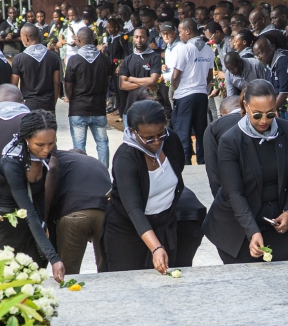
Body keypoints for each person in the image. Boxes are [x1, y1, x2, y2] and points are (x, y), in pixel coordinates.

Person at [203, 80, 288, 263]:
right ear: (246, 106)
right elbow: (233, 193)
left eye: (270, 114)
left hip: (278, 223)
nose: (264, 121)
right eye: (257, 115)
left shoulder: (287, 131)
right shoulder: (231, 140)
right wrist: (252, 231)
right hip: (237, 227)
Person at [100, 100, 185, 273]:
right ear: (133, 132)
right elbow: (134, 209)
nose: (156, 142)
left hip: (164, 224)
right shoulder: (126, 158)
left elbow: (178, 173)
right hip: (127, 231)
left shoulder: (171, 140)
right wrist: (156, 247)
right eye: (148, 138)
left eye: (160, 134)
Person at [0, 110, 65, 281]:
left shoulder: (43, 153)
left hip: (32, 227)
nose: (46, 150)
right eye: (40, 145)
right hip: (9, 229)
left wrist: (43, 224)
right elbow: (28, 210)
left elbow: (39, 195)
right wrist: (54, 258)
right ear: (26, 139)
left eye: (51, 143)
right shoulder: (11, 161)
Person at [47, 148, 112, 275]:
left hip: (74, 214)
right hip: (105, 214)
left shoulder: (57, 158)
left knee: (68, 273)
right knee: (107, 272)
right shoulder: (97, 163)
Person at [63, 27, 113, 166]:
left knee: (79, 147)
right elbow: (107, 82)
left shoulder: (74, 60)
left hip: (78, 108)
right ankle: (104, 174)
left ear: (78, 40)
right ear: (93, 40)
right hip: (98, 108)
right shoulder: (104, 59)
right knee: (102, 143)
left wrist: (72, 99)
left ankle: (83, 175)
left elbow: (68, 85)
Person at [168, 20, 216, 163]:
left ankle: (186, 165)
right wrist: (200, 85)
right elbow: (210, 76)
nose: (179, 34)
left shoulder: (184, 48)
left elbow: (176, 76)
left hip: (184, 95)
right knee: (200, 132)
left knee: (183, 132)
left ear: (188, 31)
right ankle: (202, 163)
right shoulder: (208, 49)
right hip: (201, 95)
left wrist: (172, 91)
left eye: (181, 31)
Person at [10, 24, 62, 113]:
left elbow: (13, 85)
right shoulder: (53, 57)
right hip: (48, 104)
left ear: (26, 38)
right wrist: (53, 103)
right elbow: (57, 82)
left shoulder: (19, 58)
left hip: (28, 106)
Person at [203, 94, 245, 197]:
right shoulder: (258, 121)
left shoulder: (214, 127)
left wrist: (218, 197)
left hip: (230, 191)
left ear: (222, 114)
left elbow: (211, 166)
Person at [117, 27, 162, 121]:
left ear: (148, 38)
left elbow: (153, 80)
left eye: (142, 37)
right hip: (130, 109)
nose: (139, 40)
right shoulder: (128, 59)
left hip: (149, 110)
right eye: (136, 37)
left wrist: (131, 79)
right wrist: (145, 84)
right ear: (133, 38)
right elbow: (122, 85)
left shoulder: (155, 57)